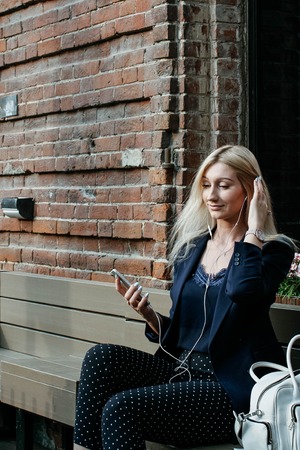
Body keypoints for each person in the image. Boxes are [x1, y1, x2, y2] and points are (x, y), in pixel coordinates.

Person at [74, 145, 296, 450]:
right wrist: (150, 317)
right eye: (206, 185)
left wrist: (254, 230)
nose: (211, 195)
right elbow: (184, 333)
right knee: (100, 359)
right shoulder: (192, 249)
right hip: (181, 373)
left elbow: (242, 291)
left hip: (228, 390)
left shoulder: (272, 251)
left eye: (224, 185)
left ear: (250, 190)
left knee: (121, 408)